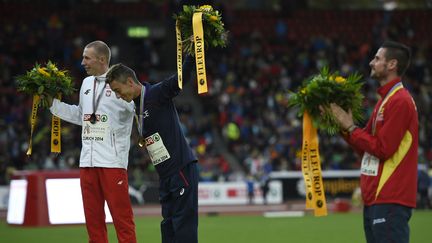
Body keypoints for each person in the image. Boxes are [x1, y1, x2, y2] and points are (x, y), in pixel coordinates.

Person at [328, 40, 418, 243]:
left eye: (377, 58)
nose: (371, 62)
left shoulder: (400, 101)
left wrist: (351, 128)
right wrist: (343, 126)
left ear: (392, 64)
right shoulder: (385, 101)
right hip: (377, 198)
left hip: (390, 196)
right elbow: (366, 148)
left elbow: (382, 149)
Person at [48, 40, 137, 243]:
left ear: (102, 59)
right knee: (93, 222)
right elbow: (81, 115)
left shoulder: (121, 81)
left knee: (122, 221)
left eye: (87, 58)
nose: (83, 63)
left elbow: (135, 109)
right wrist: (52, 104)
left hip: (112, 163)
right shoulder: (87, 84)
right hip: (87, 162)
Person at [105, 56, 198, 243]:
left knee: (183, 228)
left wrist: (192, 53)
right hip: (165, 176)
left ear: (130, 82)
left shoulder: (156, 93)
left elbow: (181, 79)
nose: (117, 95)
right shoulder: (136, 107)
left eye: (117, 90)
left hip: (181, 169)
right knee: (168, 227)